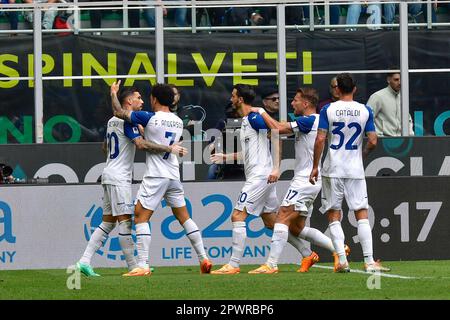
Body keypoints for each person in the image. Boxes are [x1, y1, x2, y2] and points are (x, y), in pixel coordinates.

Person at [76, 86, 187, 277]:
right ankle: (133, 266)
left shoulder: (112, 122)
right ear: (128, 102)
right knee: (125, 222)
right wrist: (169, 149)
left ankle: (84, 261)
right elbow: (141, 144)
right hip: (120, 178)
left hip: (109, 172)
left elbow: (105, 147)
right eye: (138, 98)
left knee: (107, 223)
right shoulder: (125, 120)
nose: (142, 101)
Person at [110, 81, 212, 276]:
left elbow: (118, 112)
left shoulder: (150, 117)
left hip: (156, 175)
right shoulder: (177, 120)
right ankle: (203, 258)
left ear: (154, 99)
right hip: (173, 174)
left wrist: (114, 94)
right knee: (184, 217)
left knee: (140, 215)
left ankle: (143, 265)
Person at [209, 84, 312, 275]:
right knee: (272, 222)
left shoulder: (255, 117)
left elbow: (276, 134)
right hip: (261, 176)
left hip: (260, 177)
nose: (231, 99)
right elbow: (251, 152)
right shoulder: (248, 120)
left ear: (239, 99)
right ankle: (307, 253)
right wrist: (226, 157)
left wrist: (276, 167)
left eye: (233, 96)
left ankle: (233, 264)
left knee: (238, 216)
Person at [247, 88, 349, 274]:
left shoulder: (309, 120)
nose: (292, 104)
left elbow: (277, 127)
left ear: (306, 103)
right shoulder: (314, 121)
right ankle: (339, 248)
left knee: (282, 216)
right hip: (310, 180)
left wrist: (261, 111)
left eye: (295, 100)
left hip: (304, 180)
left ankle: (271, 264)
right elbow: (280, 130)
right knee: (297, 227)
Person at [310, 73, 390, 273]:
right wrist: (361, 155)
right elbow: (372, 140)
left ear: (337, 89)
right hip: (355, 169)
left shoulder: (328, 109)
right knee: (361, 213)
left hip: (333, 168)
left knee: (334, 214)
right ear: (354, 89)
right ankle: (369, 261)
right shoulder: (365, 110)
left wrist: (314, 166)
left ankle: (342, 260)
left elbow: (320, 139)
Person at [367, 71, 414, 136]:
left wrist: (411, 134)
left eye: (401, 79)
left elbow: (408, 118)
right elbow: (368, 118)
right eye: (396, 80)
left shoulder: (403, 96)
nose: (400, 83)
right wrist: (376, 135)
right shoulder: (377, 96)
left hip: (402, 141)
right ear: (388, 80)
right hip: (383, 141)